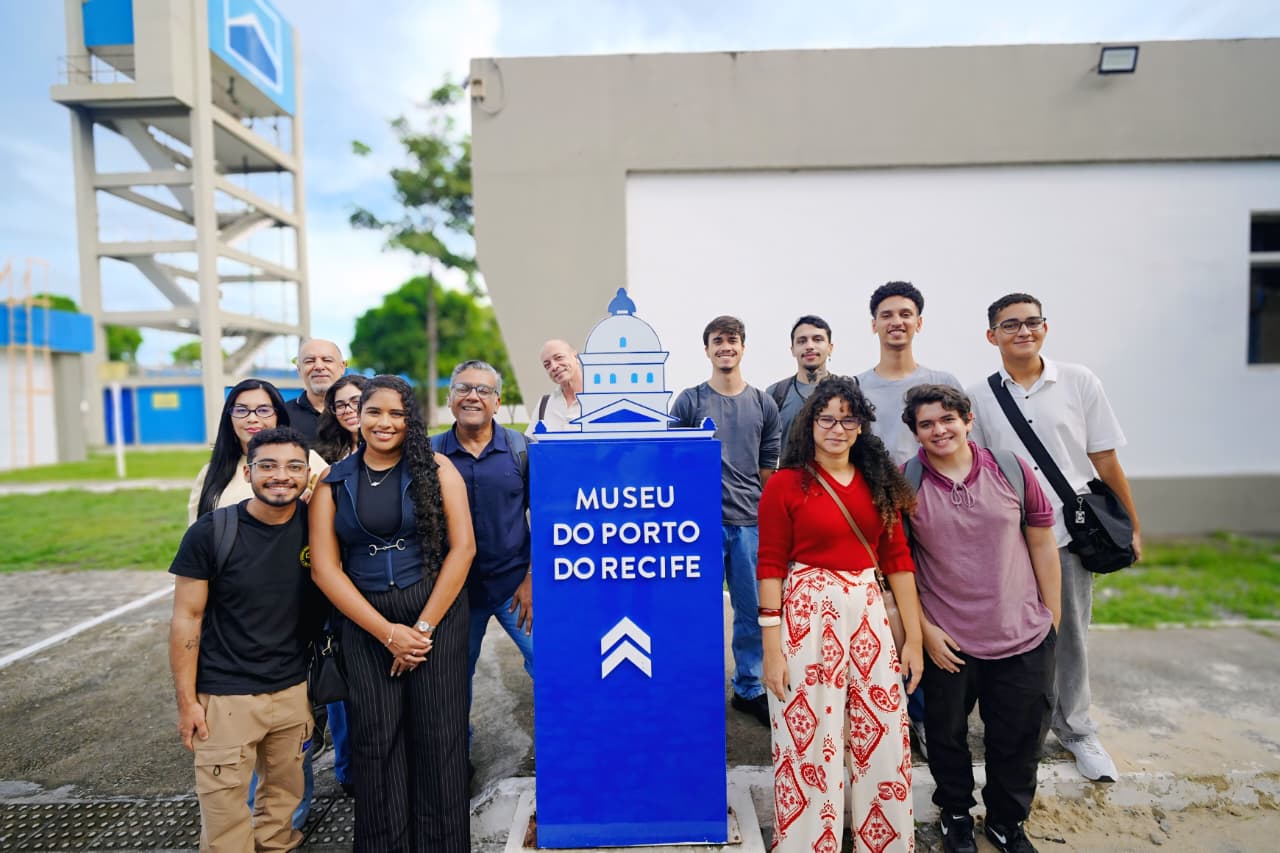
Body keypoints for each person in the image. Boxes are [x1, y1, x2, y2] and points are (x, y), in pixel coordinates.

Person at [968, 293, 1142, 783]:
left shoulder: (1079, 381)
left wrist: (1132, 525)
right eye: (1010, 325)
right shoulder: (978, 396)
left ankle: (1079, 730)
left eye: (1032, 322)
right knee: (1005, 636)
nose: (1023, 331)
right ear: (992, 336)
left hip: (1070, 531)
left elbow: (1105, 460)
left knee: (1071, 634)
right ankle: (1015, 725)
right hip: (1009, 538)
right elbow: (980, 471)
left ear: (1045, 327)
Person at [308, 375, 476, 851]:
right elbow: (324, 568)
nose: (385, 423)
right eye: (374, 412)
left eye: (397, 414)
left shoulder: (438, 469)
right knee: (377, 745)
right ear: (355, 416)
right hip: (366, 624)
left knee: (439, 740)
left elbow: (463, 550)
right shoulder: (332, 482)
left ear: (411, 421)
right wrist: (387, 634)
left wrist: (420, 630)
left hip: (434, 616)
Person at [757, 376, 922, 853]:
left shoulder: (878, 481)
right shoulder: (786, 485)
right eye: (826, 418)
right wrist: (772, 650)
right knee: (809, 736)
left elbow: (898, 561)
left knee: (883, 732)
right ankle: (808, 843)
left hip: (868, 611)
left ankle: (885, 842)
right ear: (809, 425)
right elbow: (768, 565)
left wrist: (912, 638)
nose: (837, 428)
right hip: (808, 614)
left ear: (860, 426)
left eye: (848, 419)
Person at [901, 385, 1061, 853]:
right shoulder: (907, 483)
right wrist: (924, 631)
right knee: (947, 739)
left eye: (947, 419)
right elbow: (899, 567)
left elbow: (1042, 543)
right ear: (915, 433)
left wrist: (1052, 623)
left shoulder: (1010, 468)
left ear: (967, 420)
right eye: (926, 424)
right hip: (949, 642)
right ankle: (955, 815)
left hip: (1022, 635)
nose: (939, 430)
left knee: (1018, 739)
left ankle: (1007, 822)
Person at [169, 427, 323, 853]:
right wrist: (187, 702)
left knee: (282, 809)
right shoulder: (211, 533)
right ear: (248, 470)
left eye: (294, 467)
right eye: (268, 466)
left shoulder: (318, 527)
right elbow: (186, 618)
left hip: (293, 690)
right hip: (226, 696)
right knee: (225, 821)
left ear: (307, 474)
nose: (281, 476)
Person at [671, 315, 782, 726]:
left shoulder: (762, 403)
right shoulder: (689, 400)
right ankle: (695, 685)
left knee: (751, 610)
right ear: (707, 350)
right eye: (718, 341)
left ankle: (749, 687)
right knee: (696, 610)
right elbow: (672, 460)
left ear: (742, 347)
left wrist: (765, 512)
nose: (725, 347)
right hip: (699, 526)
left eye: (732, 340)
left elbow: (769, 460)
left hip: (750, 523)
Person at [431, 361, 533, 724]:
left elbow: (548, 516)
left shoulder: (521, 450)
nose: (473, 396)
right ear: (450, 398)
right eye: (463, 388)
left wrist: (531, 576)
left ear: (497, 401)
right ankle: (457, 765)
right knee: (453, 684)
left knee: (552, 665)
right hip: (456, 595)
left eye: (483, 390)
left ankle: (568, 752)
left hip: (514, 586)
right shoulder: (431, 455)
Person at [310, 373, 370, 799]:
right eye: (341, 404)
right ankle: (349, 770)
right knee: (340, 686)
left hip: (384, 581)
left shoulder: (396, 447)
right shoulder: (322, 461)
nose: (349, 409)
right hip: (336, 582)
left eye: (356, 401)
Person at [188, 378, 328, 526]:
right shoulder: (211, 472)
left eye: (263, 410)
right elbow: (196, 533)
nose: (252, 418)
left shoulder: (309, 460)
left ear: (278, 416)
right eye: (242, 410)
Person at [856, 282, 963, 466]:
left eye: (905, 315)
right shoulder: (855, 387)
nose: (897, 322)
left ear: (919, 323)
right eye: (887, 315)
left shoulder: (943, 382)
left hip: (934, 489)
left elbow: (964, 446)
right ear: (874, 325)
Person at [764, 315, 836, 445]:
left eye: (817, 339)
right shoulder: (775, 394)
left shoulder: (845, 392)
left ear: (830, 348)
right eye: (802, 341)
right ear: (793, 350)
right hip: (788, 465)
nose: (809, 346)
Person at [286, 339, 347, 440]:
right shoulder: (282, 415)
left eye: (327, 360)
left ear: (342, 367)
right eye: (309, 361)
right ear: (299, 370)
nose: (319, 367)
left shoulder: (359, 411)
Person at [528, 338, 583, 433]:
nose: (554, 367)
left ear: (576, 357)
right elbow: (529, 444)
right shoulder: (544, 405)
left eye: (559, 357)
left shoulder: (602, 399)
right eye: (547, 365)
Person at [315, 374, 369, 464]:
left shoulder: (392, 449)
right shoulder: (324, 455)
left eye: (356, 402)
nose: (347, 410)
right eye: (340, 405)